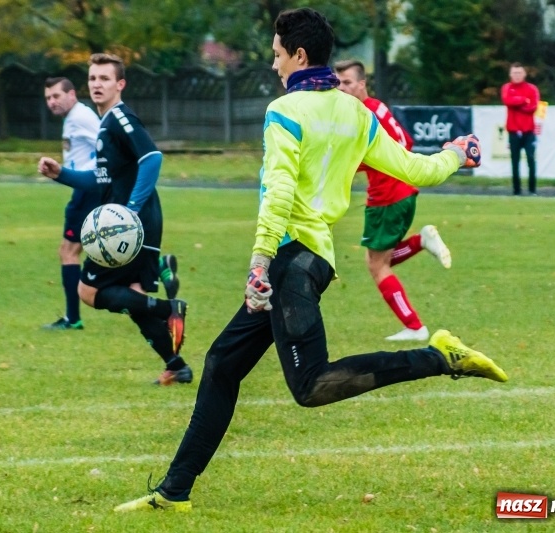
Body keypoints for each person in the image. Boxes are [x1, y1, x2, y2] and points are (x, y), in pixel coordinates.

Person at [115, 8, 507, 512]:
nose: (274, 64)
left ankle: (439, 356)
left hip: (289, 261)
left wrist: (258, 262)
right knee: (220, 365)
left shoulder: (286, 110)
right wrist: (457, 151)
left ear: (299, 55)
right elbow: (416, 168)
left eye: (277, 54)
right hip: (308, 259)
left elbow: (278, 192)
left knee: (311, 385)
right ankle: (174, 492)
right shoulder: (356, 112)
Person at [38, 53, 191, 386]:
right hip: (138, 223)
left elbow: (152, 157)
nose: (97, 84)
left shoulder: (120, 118)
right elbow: (101, 180)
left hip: (130, 224)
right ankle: (176, 365)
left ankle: (168, 309)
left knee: (88, 291)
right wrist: (61, 174)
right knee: (134, 296)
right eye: (92, 78)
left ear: (120, 84)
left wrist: (131, 210)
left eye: (104, 78)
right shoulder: (106, 124)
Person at [334, 59, 451, 342]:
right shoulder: (378, 107)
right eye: (338, 82)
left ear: (362, 83)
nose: (341, 87)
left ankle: (415, 327)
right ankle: (421, 241)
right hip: (403, 191)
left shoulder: (363, 114)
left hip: (387, 197)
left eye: (347, 82)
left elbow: (360, 157)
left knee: (376, 265)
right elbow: (405, 143)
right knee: (378, 260)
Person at [41, 76, 103, 331]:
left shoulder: (81, 117)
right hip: (87, 188)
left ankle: (72, 318)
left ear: (72, 94)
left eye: (56, 96)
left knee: (68, 252)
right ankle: (158, 265)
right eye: (48, 98)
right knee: (96, 248)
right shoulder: (75, 117)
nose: (52, 102)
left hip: (88, 190)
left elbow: (106, 145)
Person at [500, 63, 540, 196]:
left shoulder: (532, 88)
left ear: (524, 74)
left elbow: (533, 107)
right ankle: (516, 190)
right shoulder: (507, 88)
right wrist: (523, 100)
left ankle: (532, 190)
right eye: (514, 73)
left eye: (519, 73)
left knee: (530, 159)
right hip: (513, 131)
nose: (517, 76)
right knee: (515, 161)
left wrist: (518, 104)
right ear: (510, 74)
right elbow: (507, 101)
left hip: (528, 131)